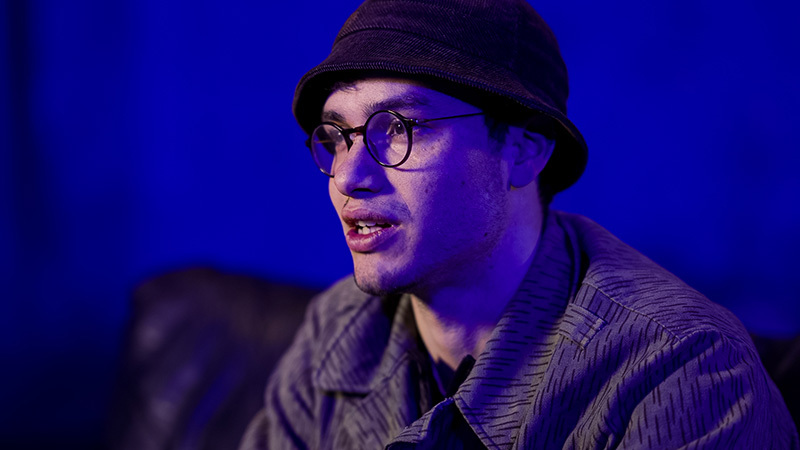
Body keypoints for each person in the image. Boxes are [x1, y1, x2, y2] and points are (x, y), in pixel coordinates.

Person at [240, 0, 799, 448]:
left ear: (526, 149)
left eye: (400, 127)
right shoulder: (339, 328)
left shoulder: (680, 370)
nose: (348, 176)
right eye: (338, 136)